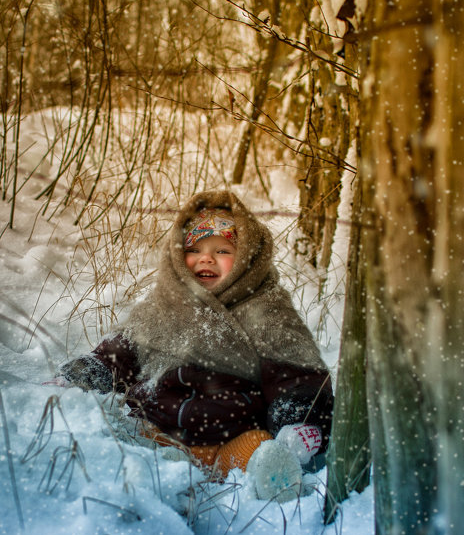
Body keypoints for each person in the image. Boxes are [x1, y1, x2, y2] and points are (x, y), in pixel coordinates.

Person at [54, 190, 333, 501]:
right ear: (178, 256)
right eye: (195, 249)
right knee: (124, 433)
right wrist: (91, 370)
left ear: (245, 259)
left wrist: (300, 419)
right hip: (157, 428)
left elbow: (295, 374)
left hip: (229, 438)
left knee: (259, 445)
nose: (206, 258)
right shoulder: (165, 304)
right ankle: (160, 477)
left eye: (223, 250)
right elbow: (125, 349)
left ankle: (267, 475)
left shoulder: (265, 309)